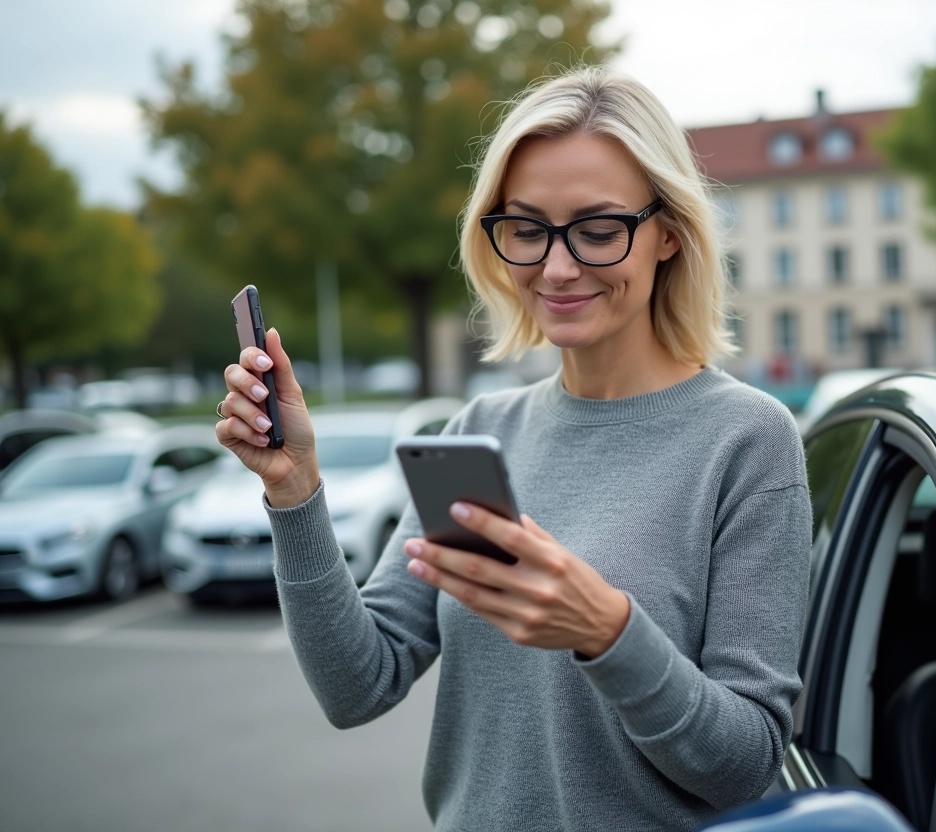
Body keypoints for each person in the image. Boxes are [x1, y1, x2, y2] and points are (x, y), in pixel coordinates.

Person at [216, 66, 813, 831]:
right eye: (527, 228)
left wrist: (608, 631)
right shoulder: (480, 430)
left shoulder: (747, 441)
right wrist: (296, 492)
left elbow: (746, 763)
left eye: (598, 230)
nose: (556, 267)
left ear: (668, 234)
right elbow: (357, 685)